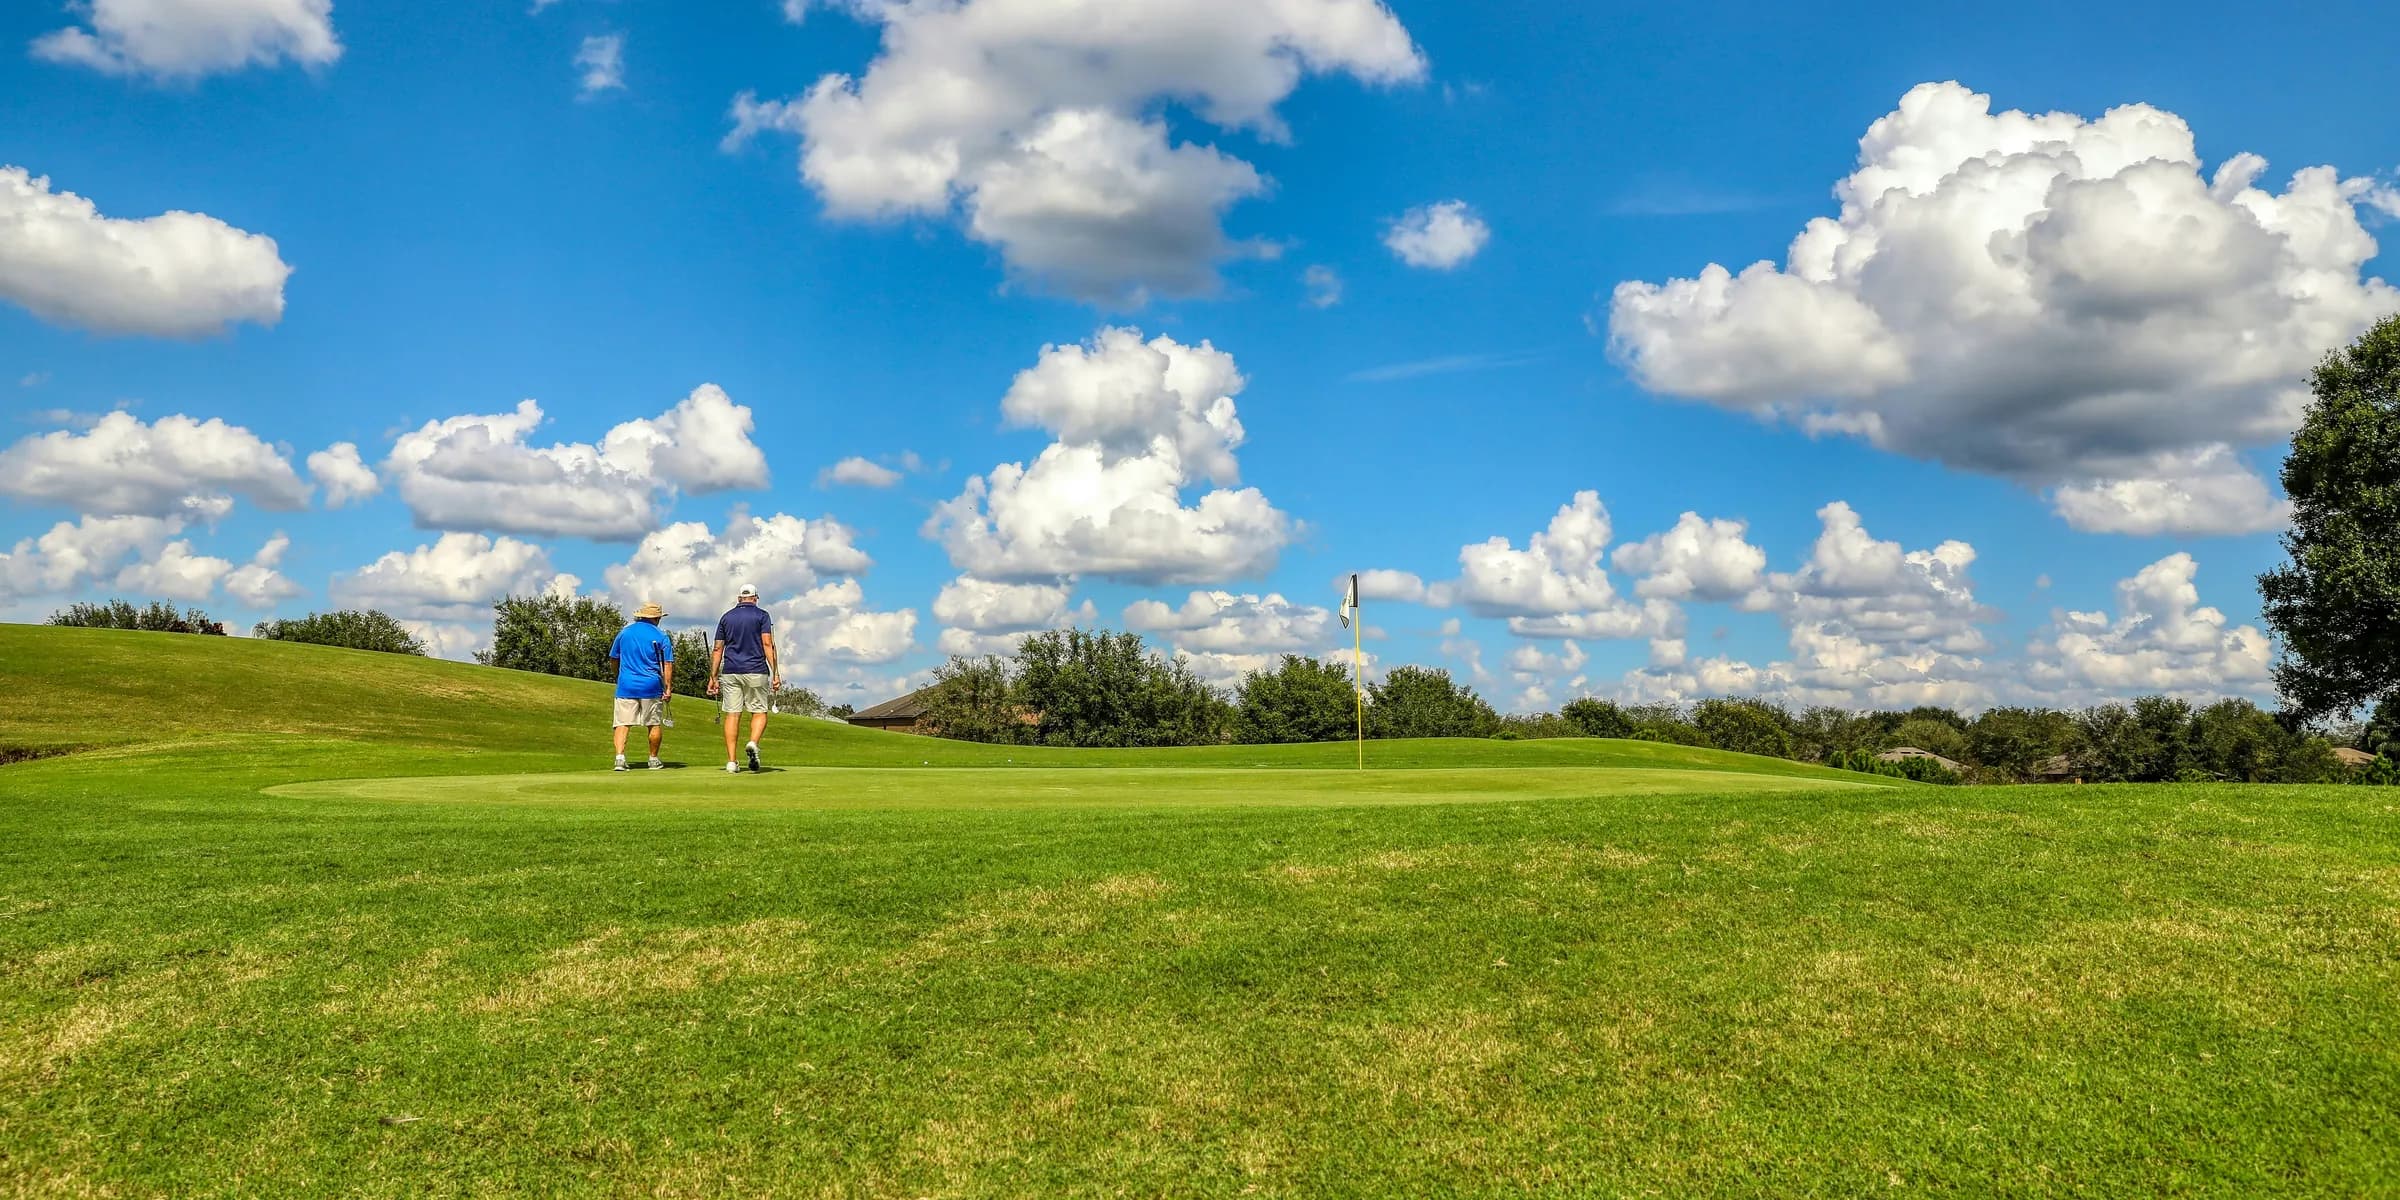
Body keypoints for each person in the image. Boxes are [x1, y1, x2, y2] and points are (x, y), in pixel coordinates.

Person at [706, 583, 780, 773]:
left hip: (731, 671)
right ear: (755, 597)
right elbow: (767, 644)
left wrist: (713, 676)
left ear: (739, 598)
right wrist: (776, 673)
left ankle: (732, 761)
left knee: (732, 714)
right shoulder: (763, 616)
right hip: (756, 669)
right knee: (759, 711)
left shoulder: (726, 617)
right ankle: (753, 742)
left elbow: (717, 649)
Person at [608, 601, 675, 771]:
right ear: (657, 617)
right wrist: (667, 687)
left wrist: (618, 676)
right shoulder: (661, 636)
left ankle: (620, 758)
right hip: (651, 685)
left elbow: (613, 658)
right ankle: (653, 759)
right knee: (653, 723)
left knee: (622, 722)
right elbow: (667, 664)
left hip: (626, 685)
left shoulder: (625, 633)